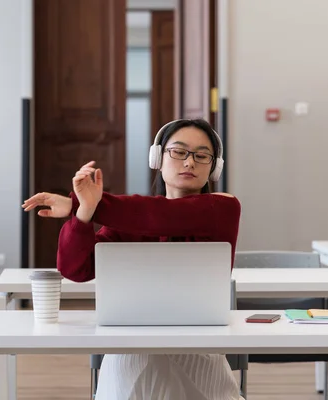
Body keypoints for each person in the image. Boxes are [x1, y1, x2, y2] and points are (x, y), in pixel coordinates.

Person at [22, 118, 243, 400]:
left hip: (199, 348)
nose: (189, 163)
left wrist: (79, 203)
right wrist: (83, 213)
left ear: (214, 168)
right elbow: (76, 269)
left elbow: (162, 216)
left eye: (202, 156)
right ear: (157, 158)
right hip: (130, 349)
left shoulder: (223, 207)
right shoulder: (128, 218)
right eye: (179, 152)